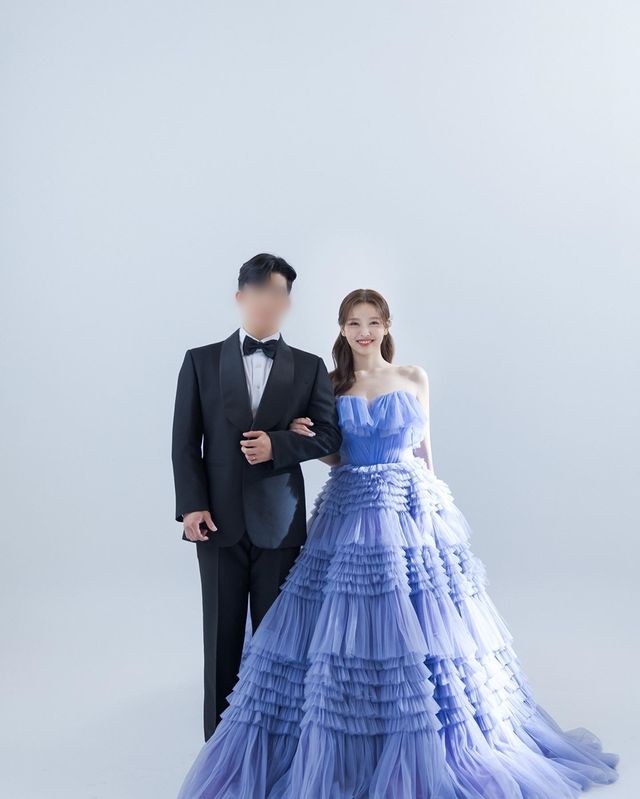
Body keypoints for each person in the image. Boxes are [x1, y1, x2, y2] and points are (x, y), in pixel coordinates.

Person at [175, 287, 620, 798]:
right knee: (348, 622)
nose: (364, 332)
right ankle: (347, 737)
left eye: (373, 322)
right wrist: (306, 437)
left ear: (386, 326)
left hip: (409, 504)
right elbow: (336, 453)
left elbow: (425, 451)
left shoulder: (414, 377)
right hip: (352, 508)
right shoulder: (331, 383)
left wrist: (436, 509)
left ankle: (442, 738)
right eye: (353, 323)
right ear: (342, 331)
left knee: (424, 622)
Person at [171, 253, 342, 742]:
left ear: (288, 303)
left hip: (280, 523)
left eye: (279, 293)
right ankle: (219, 747)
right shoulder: (201, 361)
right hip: (216, 522)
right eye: (261, 291)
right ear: (240, 297)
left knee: (278, 642)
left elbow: (330, 437)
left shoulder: (309, 367)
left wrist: (279, 444)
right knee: (221, 639)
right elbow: (185, 441)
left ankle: (277, 745)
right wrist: (192, 505)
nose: (270, 301)